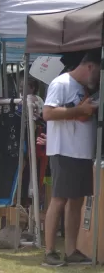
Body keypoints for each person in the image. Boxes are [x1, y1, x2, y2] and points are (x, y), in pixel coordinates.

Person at [42, 49, 101, 267]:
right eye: (98, 72)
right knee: (59, 199)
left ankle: (71, 250)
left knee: (76, 201)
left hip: (82, 153)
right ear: (89, 67)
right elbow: (47, 113)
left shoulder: (82, 88)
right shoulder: (61, 83)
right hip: (64, 151)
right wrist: (79, 110)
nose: (99, 78)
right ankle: (49, 251)